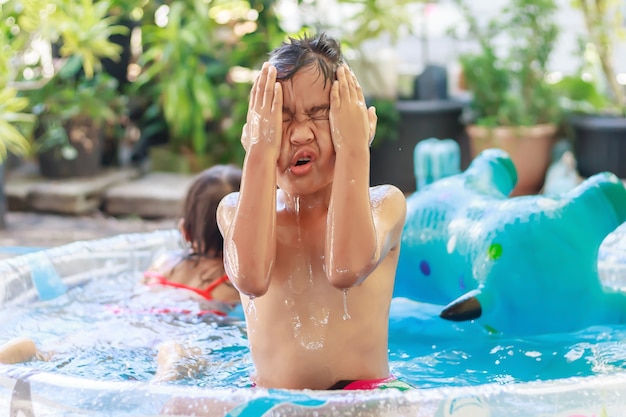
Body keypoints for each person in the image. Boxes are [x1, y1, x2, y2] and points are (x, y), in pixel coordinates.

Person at [217, 33, 407, 391]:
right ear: (253, 134)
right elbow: (251, 279)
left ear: (354, 123)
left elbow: (346, 268)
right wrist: (259, 153)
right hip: (271, 402)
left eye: (320, 115)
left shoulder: (384, 205)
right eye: (281, 119)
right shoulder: (232, 211)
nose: (300, 134)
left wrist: (354, 149)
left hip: (363, 401)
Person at [0, 164, 243, 382]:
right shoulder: (233, 280)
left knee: (64, 350)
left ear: (185, 231)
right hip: (179, 324)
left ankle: (33, 349)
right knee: (183, 350)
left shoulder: (164, 262)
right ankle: (172, 361)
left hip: (124, 314)